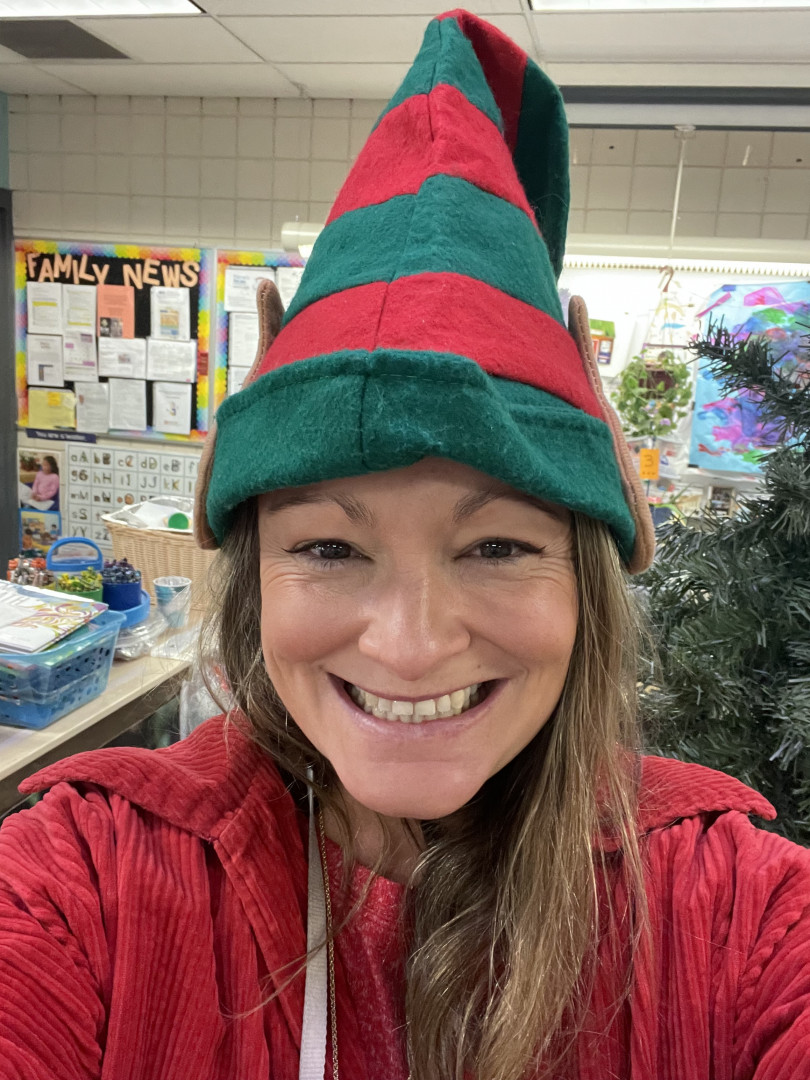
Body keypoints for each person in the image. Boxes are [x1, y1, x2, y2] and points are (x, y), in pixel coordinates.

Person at [1, 12, 809, 1080]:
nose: (412, 646)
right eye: (331, 549)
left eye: (498, 547)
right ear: (253, 582)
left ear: (587, 583)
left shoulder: (734, 912)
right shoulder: (88, 887)